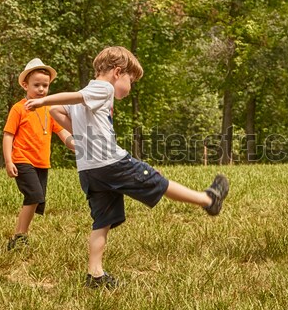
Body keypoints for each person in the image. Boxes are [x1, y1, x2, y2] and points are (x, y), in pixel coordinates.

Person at [24, 46, 229, 290]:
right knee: (155, 180)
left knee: (102, 220)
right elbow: (60, 102)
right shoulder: (103, 87)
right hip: (111, 163)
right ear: (117, 72)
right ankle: (207, 199)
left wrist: (80, 136)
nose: (130, 88)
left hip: (89, 170)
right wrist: (43, 100)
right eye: (130, 81)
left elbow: (58, 111)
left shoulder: (88, 92)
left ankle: (95, 274)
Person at [3, 58, 74, 250]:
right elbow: (8, 135)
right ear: (25, 85)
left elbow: (62, 132)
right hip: (22, 160)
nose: (41, 89)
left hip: (42, 163)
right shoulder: (19, 108)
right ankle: (19, 236)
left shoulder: (50, 109)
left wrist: (76, 145)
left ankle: (21, 235)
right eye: (37, 85)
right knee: (34, 196)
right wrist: (9, 161)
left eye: (45, 85)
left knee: (37, 199)